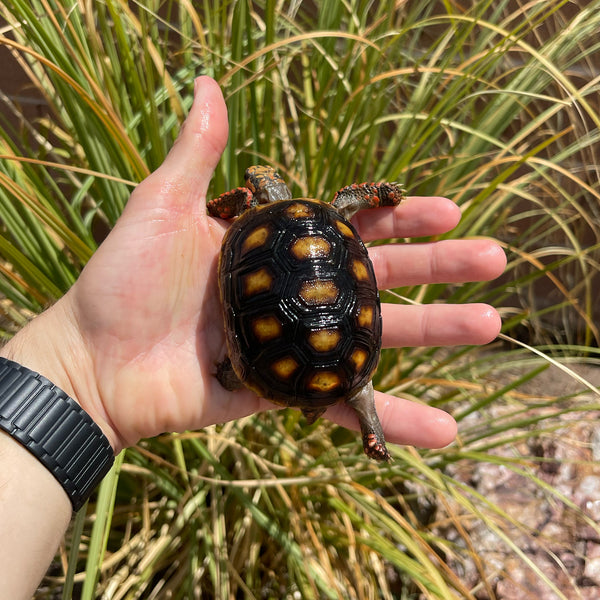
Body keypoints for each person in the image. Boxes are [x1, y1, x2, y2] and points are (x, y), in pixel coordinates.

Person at [0, 76, 506, 599]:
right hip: (344, 350)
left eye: (254, 185)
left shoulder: (250, 226)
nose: (253, 184)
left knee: (287, 374)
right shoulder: (332, 214)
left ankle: (271, 384)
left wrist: (73, 377)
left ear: (258, 197)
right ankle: (365, 418)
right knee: (356, 381)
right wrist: (382, 194)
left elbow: (235, 206)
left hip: (271, 361)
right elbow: (356, 200)